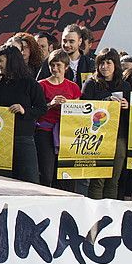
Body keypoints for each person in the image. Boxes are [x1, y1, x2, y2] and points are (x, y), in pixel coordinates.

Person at [0, 43, 45, 184]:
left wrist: (24, 110)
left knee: (30, 181)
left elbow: (42, 108)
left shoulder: (30, 84)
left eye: (0, 60)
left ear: (11, 61)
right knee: (2, 182)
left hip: (23, 138)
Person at [81, 47, 132, 201]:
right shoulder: (91, 83)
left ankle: (110, 217)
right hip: (97, 138)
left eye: (108, 63)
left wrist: (127, 106)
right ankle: (95, 217)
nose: (104, 67)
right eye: (101, 63)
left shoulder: (125, 86)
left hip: (119, 136)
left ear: (116, 64)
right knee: (98, 180)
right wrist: (105, 103)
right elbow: (84, 109)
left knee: (113, 179)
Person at [35, 48, 83, 191]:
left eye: (59, 65)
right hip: (45, 131)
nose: (55, 69)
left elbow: (78, 111)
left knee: (65, 173)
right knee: (47, 173)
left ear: (66, 67)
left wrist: (68, 105)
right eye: (52, 65)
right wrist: (51, 104)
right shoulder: (41, 85)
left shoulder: (73, 87)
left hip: (66, 133)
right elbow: (36, 110)